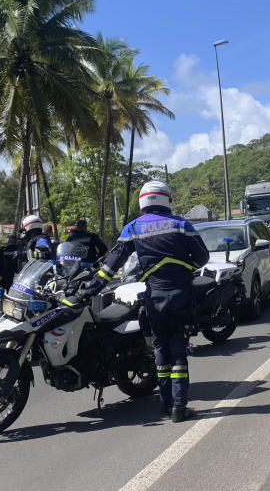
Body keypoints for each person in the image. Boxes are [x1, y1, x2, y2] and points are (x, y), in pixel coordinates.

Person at [75, 180, 209, 423]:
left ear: (143, 201)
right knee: (178, 350)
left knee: (159, 349)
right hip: (180, 295)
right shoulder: (181, 224)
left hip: (154, 297)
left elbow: (110, 266)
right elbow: (202, 258)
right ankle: (179, 406)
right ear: (167, 199)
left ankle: (166, 404)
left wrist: (90, 289)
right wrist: (180, 268)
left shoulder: (132, 228)